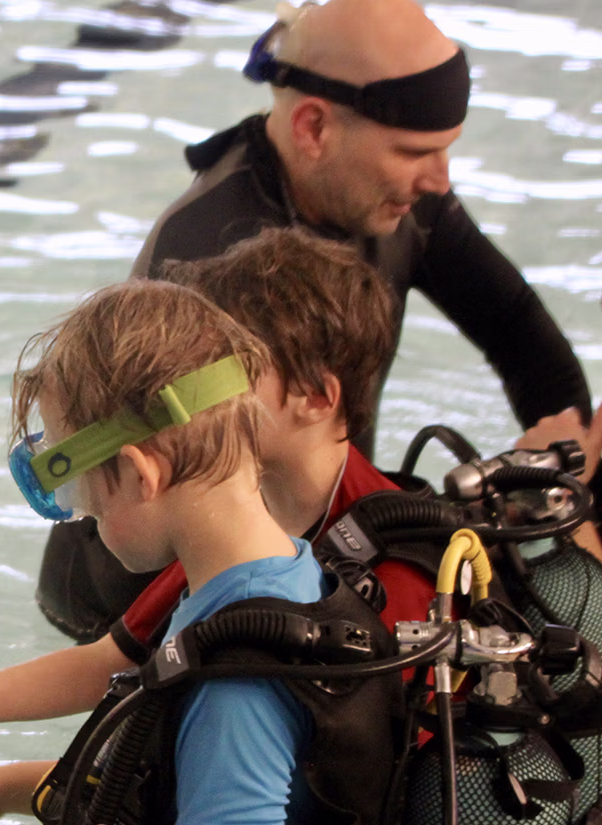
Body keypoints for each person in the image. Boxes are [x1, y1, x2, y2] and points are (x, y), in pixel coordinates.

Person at [0, 279, 400, 825]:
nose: (81, 515)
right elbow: (148, 769)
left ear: (142, 475)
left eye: (78, 489)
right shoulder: (278, 579)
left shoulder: (237, 691)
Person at [40, 0, 595, 639]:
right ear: (313, 127)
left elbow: (522, 334)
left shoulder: (398, 200)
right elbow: (231, 516)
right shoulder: (212, 261)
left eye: (445, 151)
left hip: (317, 545)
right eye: (414, 151)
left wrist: (560, 480)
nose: (440, 181)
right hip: (135, 601)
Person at [0, 227, 433, 780]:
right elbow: (113, 660)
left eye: (232, 362)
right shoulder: (236, 523)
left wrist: (18, 785)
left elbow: (361, 786)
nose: (194, 377)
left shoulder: (392, 574)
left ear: (315, 397)